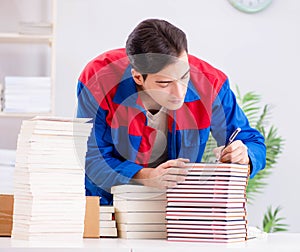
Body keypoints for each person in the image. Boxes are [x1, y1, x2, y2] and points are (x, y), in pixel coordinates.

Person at [76, 19, 266, 205]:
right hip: (111, 206)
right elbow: (92, 158)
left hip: (178, 210)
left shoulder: (212, 84)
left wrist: (245, 154)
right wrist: (147, 176)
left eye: (184, 76)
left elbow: (251, 141)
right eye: (164, 83)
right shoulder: (98, 80)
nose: (179, 93)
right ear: (138, 77)